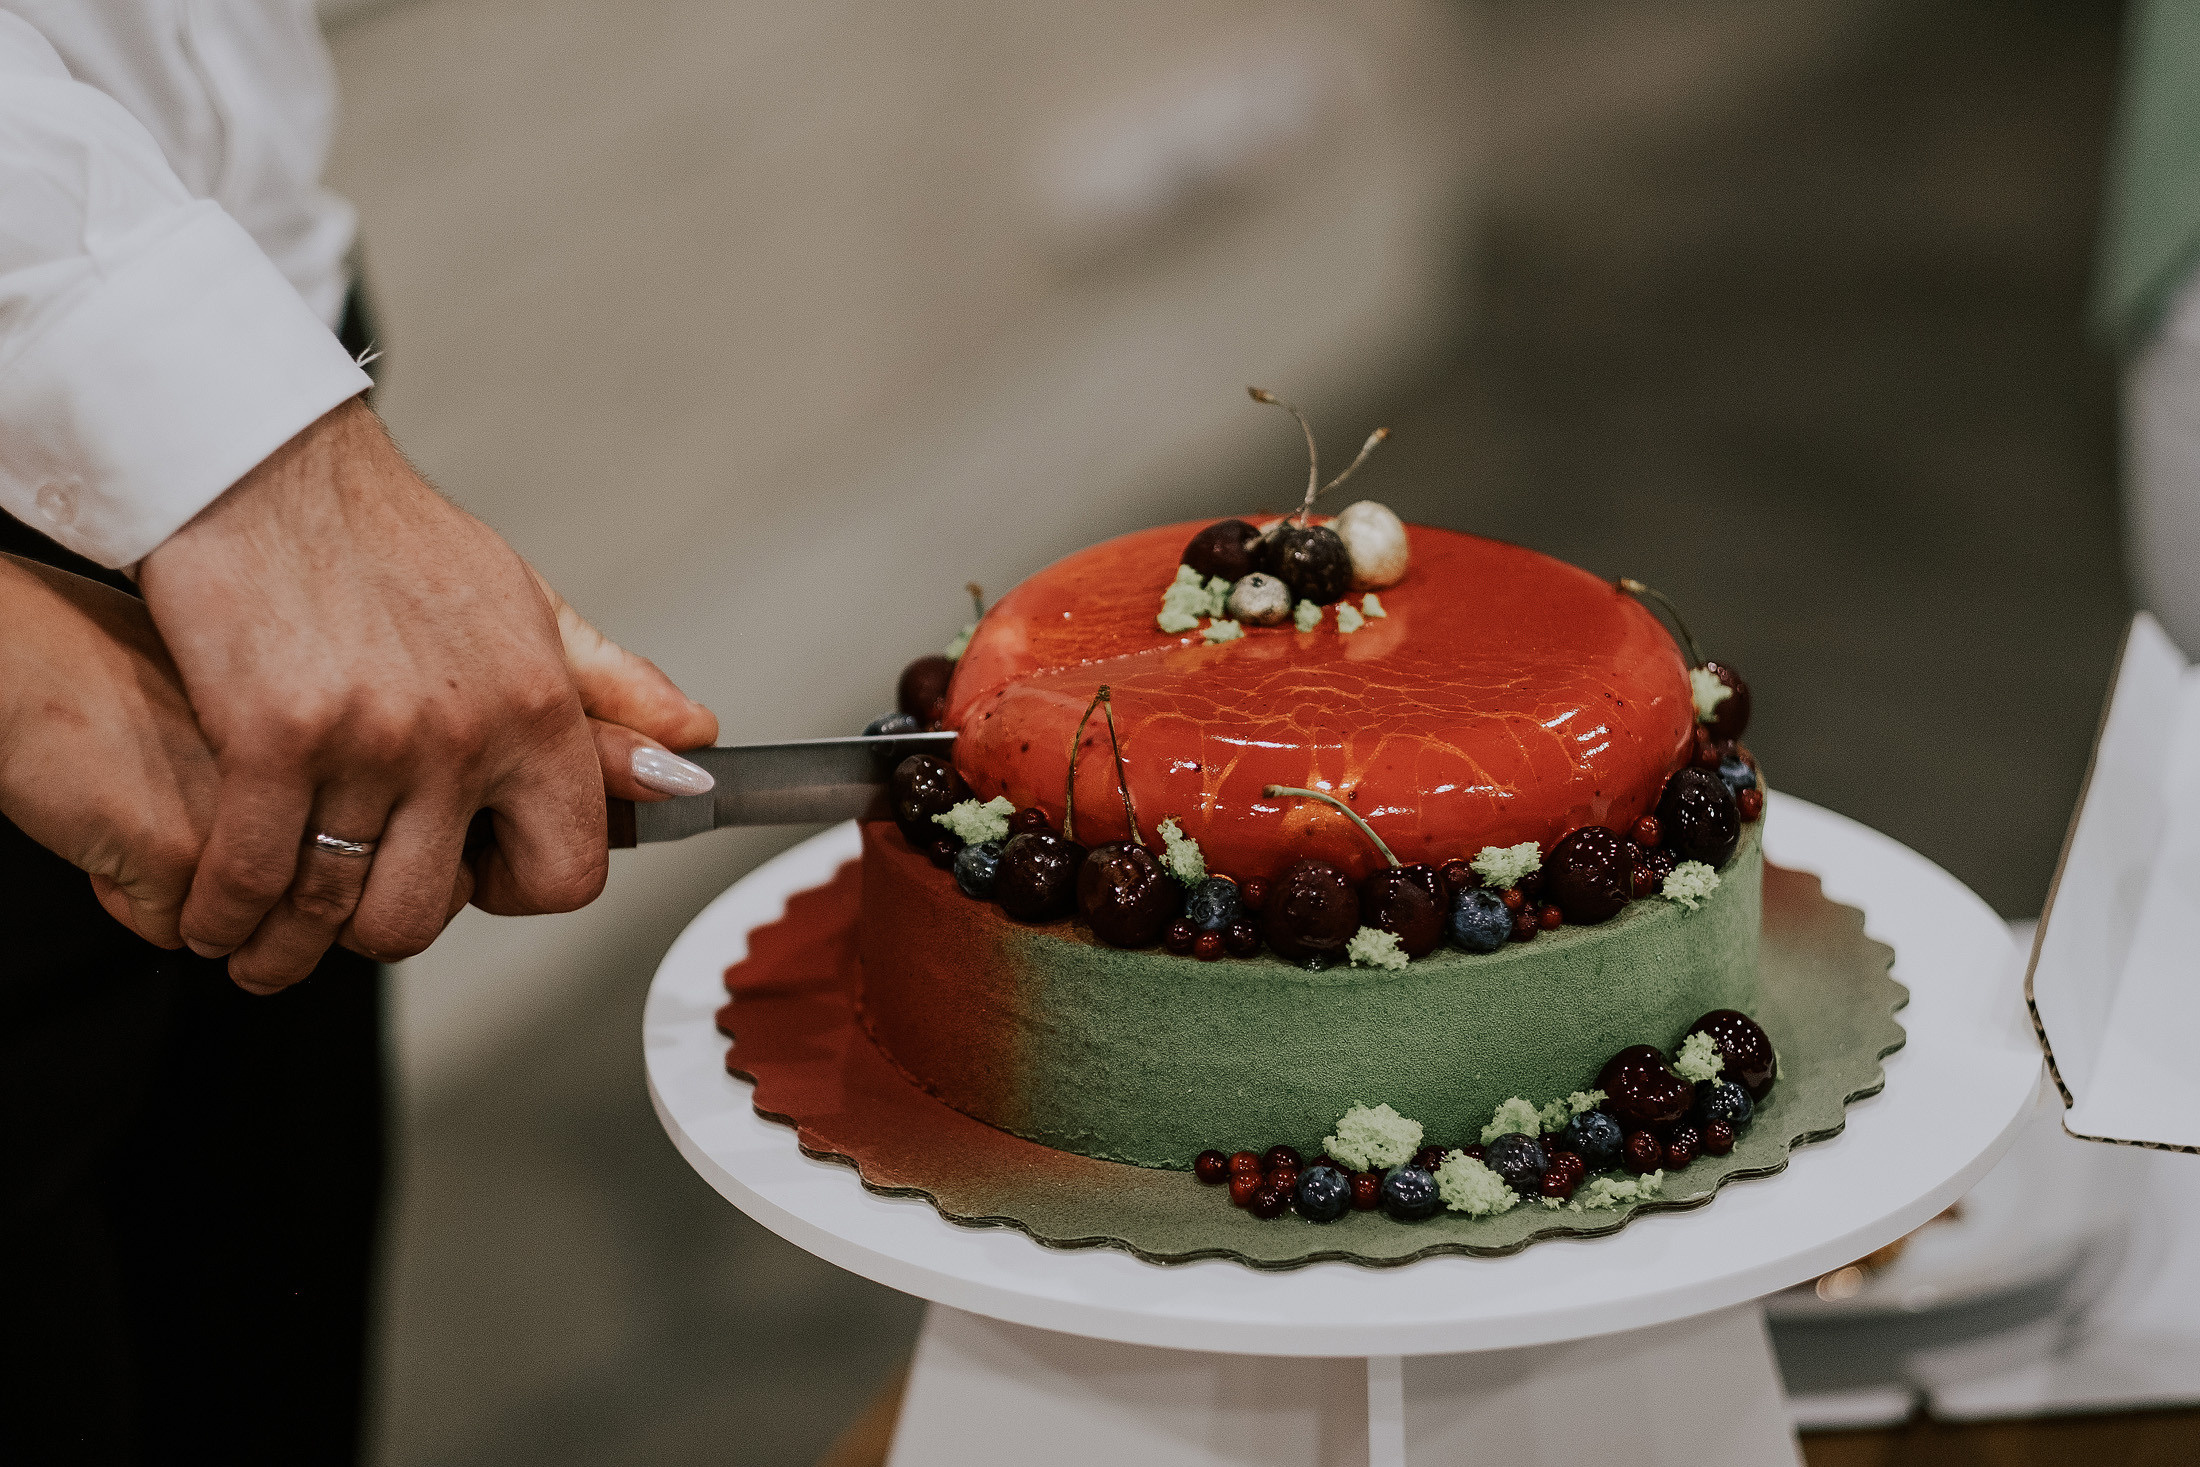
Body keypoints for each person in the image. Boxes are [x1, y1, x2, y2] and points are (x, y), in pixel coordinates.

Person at [0, 5, 717, 1460]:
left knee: (265, 1355)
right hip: (194, 415)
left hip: (243, 313)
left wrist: (257, 406)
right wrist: (258, 471)